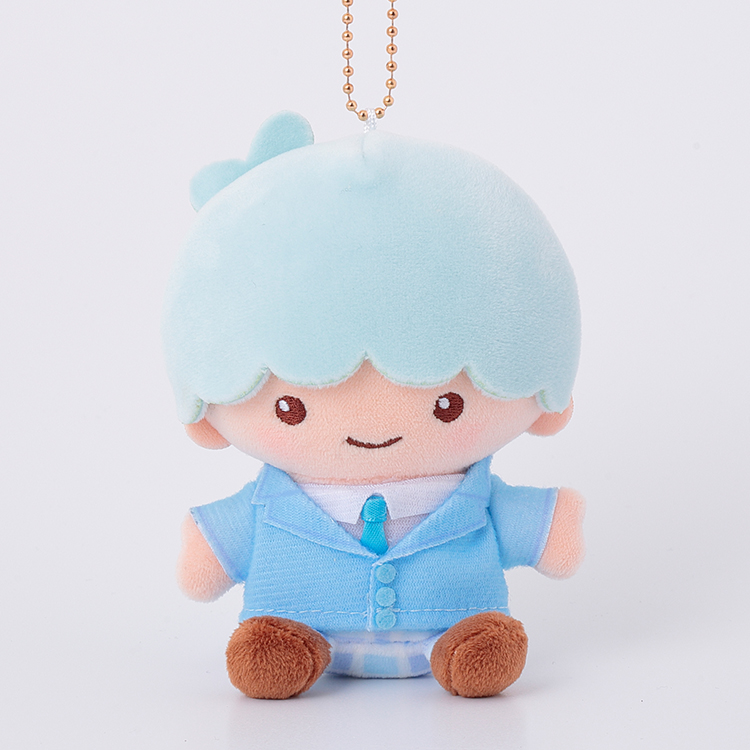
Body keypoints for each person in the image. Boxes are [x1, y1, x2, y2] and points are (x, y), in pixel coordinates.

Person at [163, 112, 585, 699]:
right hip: (295, 626)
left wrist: (554, 524)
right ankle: (283, 643)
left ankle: (466, 642)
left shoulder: (478, 499)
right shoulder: (267, 507)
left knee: (481, 646)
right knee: (268, 652)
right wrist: (207, 548)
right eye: (291, 408)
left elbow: (544, 536)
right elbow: (207, 561)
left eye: (446, 404)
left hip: (454, 630)